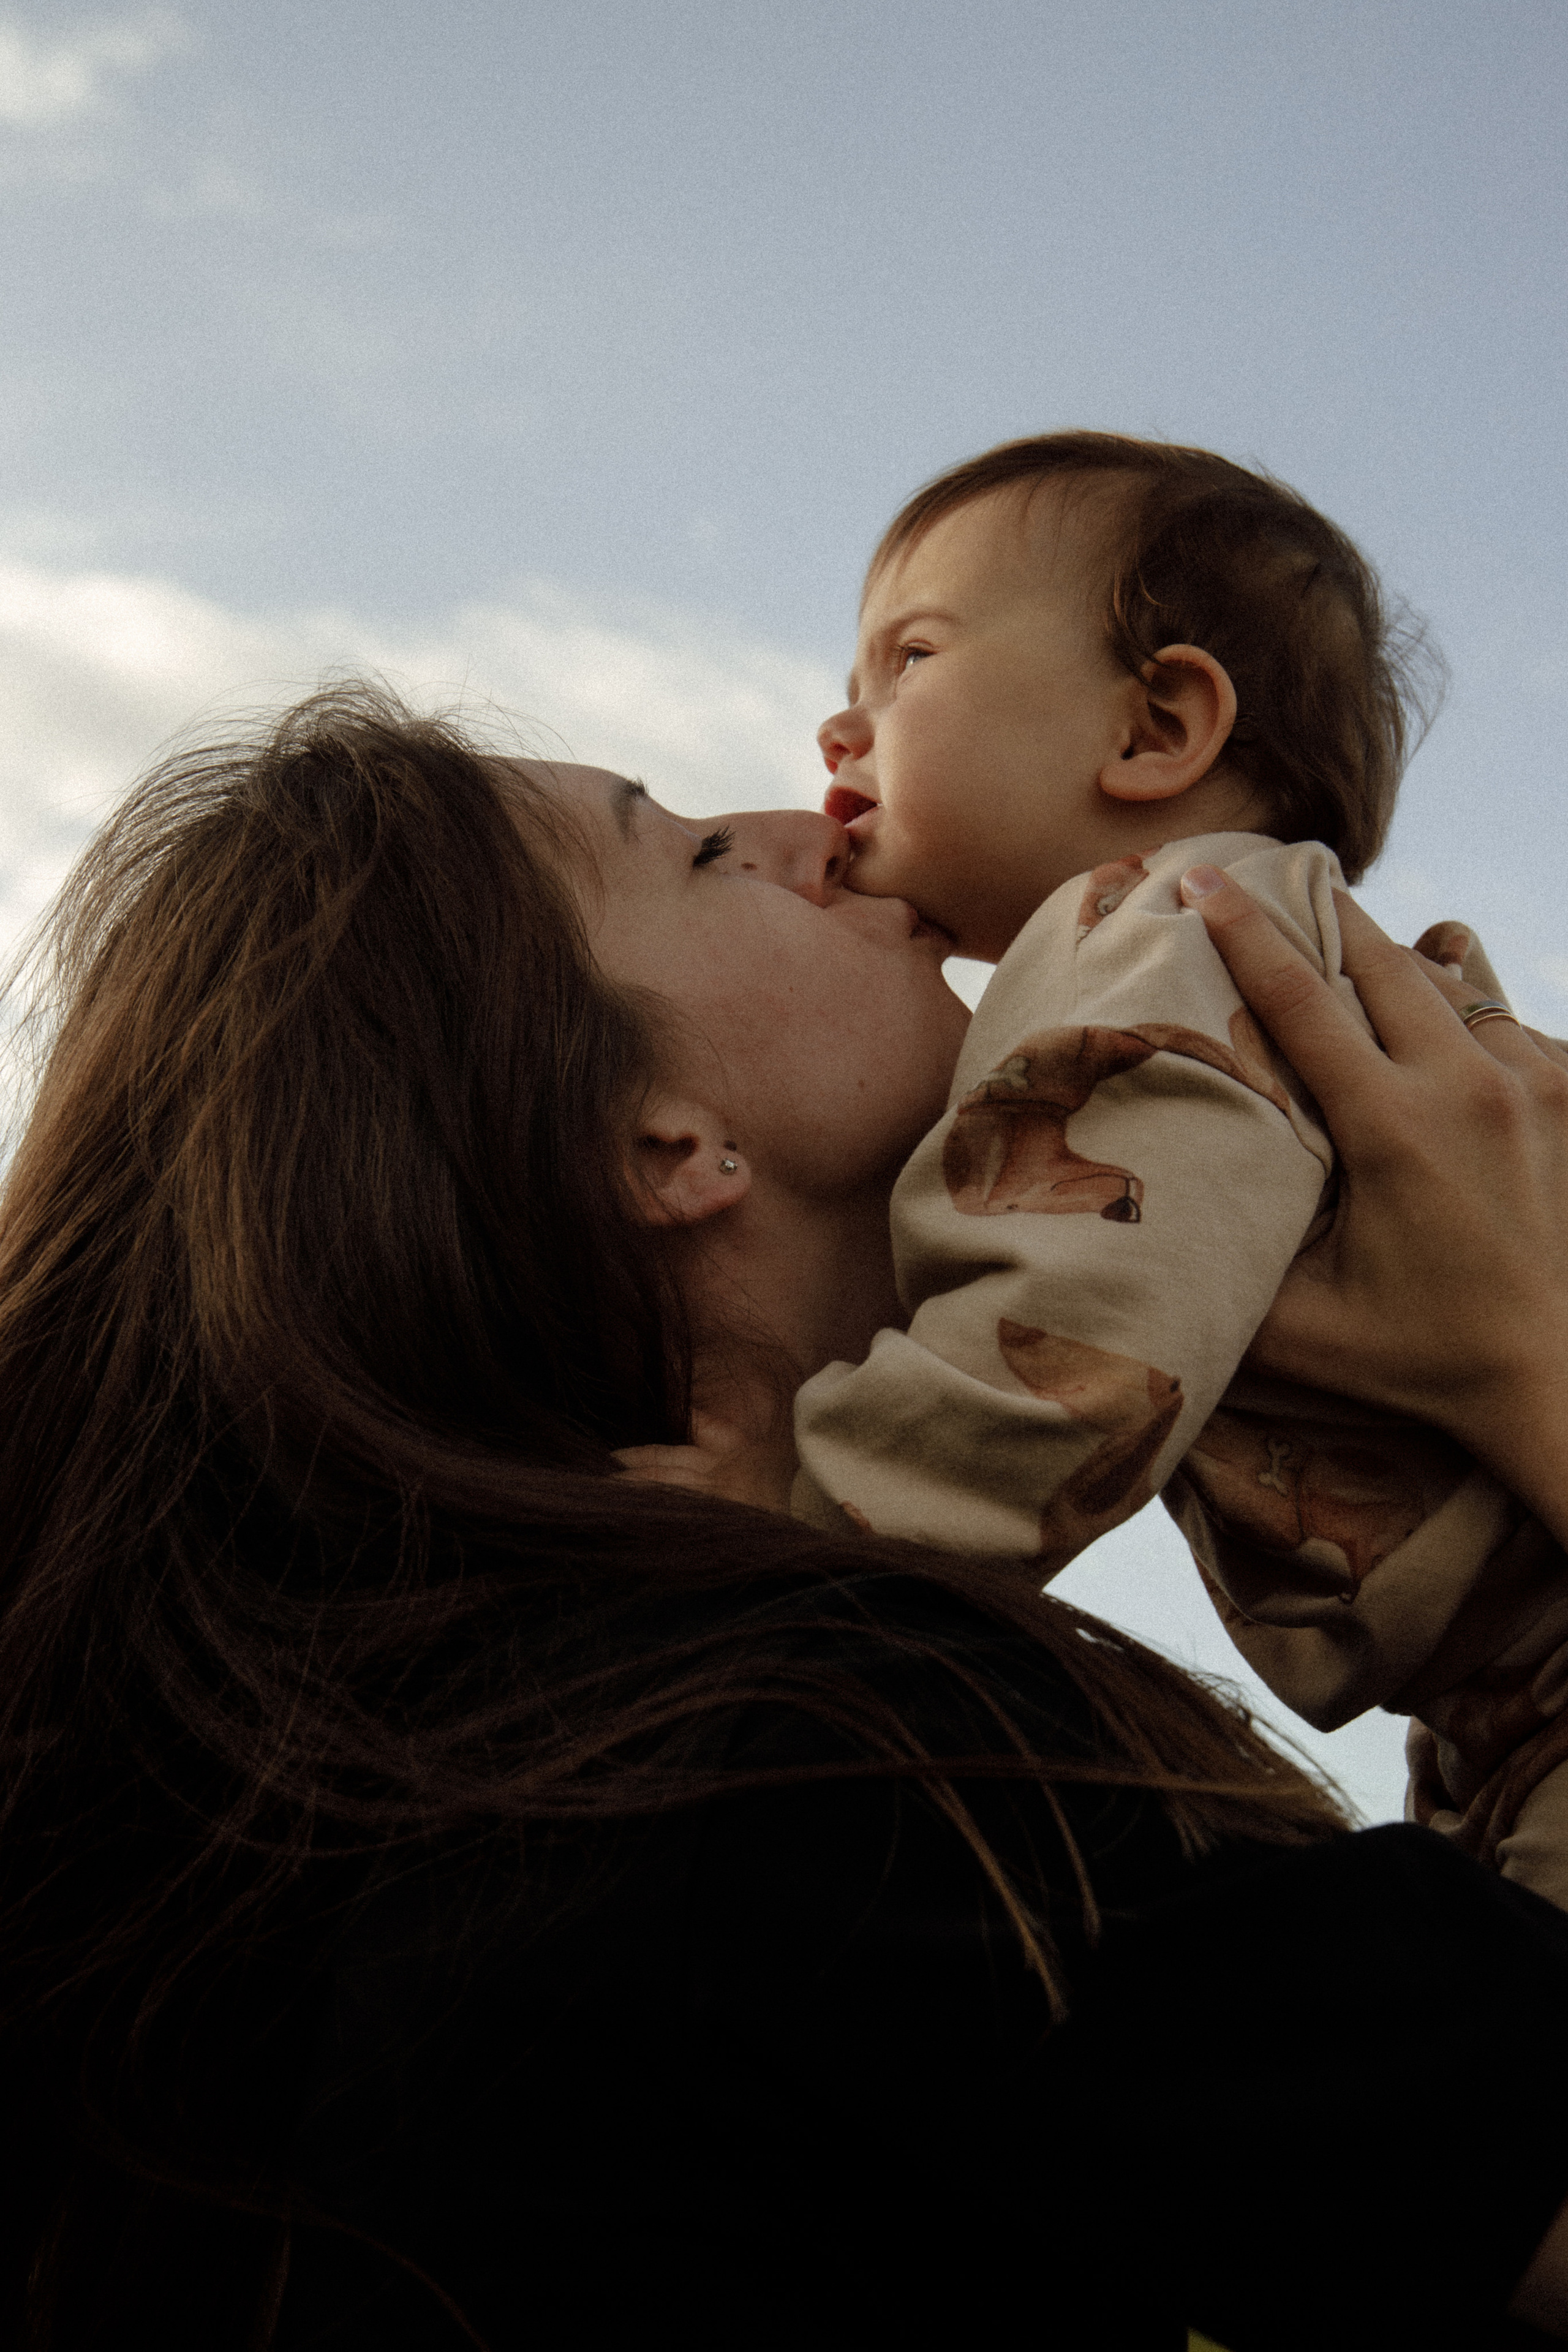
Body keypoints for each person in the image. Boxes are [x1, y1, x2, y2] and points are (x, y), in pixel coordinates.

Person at [4, 685, 1568, 2350]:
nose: (816, 831)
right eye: (691, 851)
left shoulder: (410, 1792)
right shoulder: (797, 1761)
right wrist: (1536, 1374)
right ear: (664, 1140)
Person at [793, 430, 1568, 1902]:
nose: (840, 730)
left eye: (907, 660)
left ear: (1155, 728)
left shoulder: (1161, 924)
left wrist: (789, 1520)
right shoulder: (1242, 946)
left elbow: (1080, 1331)